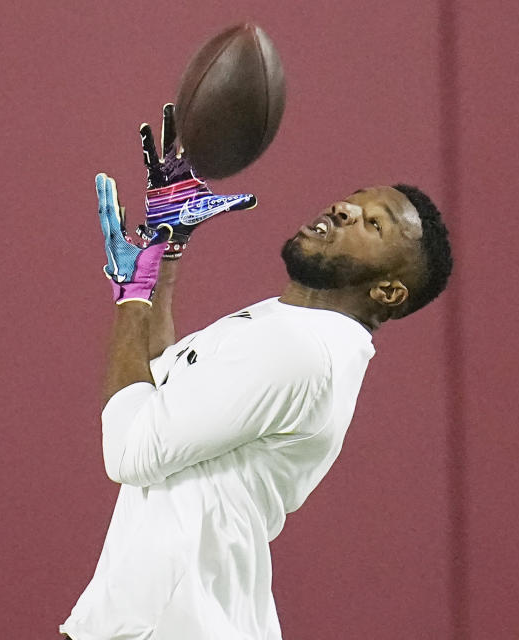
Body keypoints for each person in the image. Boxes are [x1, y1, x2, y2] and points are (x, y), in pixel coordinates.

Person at [59, 105, 453, 640]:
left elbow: (131, 450)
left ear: (388, 292)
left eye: (374, 224)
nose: (345, 209)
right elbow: (159, 386)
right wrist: (165, 252)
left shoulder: (301, 347)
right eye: (354, 200)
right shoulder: (292, 329)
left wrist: (133, 298)